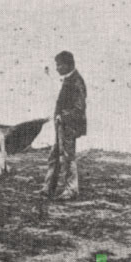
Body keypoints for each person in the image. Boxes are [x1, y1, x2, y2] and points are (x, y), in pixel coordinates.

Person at [43, 50, 87, 200]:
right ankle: (48, 188)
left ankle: (71, 190)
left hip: (69, 127)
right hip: (62, 126)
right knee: (54, 156)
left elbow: (79, 109)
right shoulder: (70, 79)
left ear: (68, 65)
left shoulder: (76, 81)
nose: (57, 68)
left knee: (68, 158)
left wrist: (63, 116)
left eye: (59, 65)